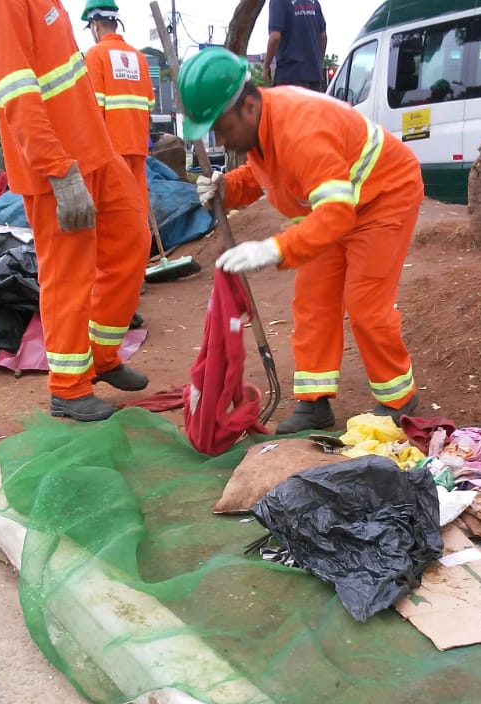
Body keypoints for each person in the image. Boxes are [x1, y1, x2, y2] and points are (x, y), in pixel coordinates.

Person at [180, 48, 422, 433]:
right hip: (331, 208)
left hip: (383, 197)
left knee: (365, 303)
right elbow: (270, 176)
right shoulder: (259, 128)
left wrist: (274, 248)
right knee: (312, 302)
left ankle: (399, 400)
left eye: (222, 127)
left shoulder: (299, 127)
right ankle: (315, 403)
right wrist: (227, 187)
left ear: (246, 106)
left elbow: (336, 214)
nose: (221, 138)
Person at [0, 0, 149, 422]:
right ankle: (69, 387)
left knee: (133, 239)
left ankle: (102, 357)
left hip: (96, 150)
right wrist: (55, 167)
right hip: (57, 165)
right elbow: (16, 90)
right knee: (69, 273)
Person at [82, 0, 155, 214]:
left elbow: (93, 109)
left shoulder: (96, 54)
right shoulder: (139, 57)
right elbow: (149, 103)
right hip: (138, 147)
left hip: (111, 151)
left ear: (94, 24)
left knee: (116, 215)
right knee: (137, 209)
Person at [264, 0, 327, 91]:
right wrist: (317, 63)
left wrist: (266, 66)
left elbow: (275, 37)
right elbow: (323, 36)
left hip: (289, 76)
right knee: (313, 105)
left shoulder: (278, 2)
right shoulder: (313, 2)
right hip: (314, 78)